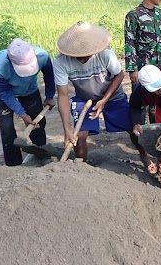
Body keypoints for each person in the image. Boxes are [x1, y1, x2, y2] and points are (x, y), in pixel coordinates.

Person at [54, 21, 142, 163]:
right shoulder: (60, 62)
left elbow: (119, 75)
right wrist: (67, 128)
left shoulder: (105, 54)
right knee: (79, 135)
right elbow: (62, 95)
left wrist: (104, 100)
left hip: (112, 96)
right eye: (78, 56)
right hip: (84, 98)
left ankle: (144, 156)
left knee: (132, 128)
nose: (82, 59)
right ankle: (81, 165)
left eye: (86, 55)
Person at [0, 38, 56, 166]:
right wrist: (23, 115)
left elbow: (49, 75)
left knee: (38, 122)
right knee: (7, 129)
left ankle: (40, 155)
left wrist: (50, 95)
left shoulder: (42, 56)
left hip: (29, 89)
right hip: (3, 93)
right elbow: (5, 94)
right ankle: (13, 164)